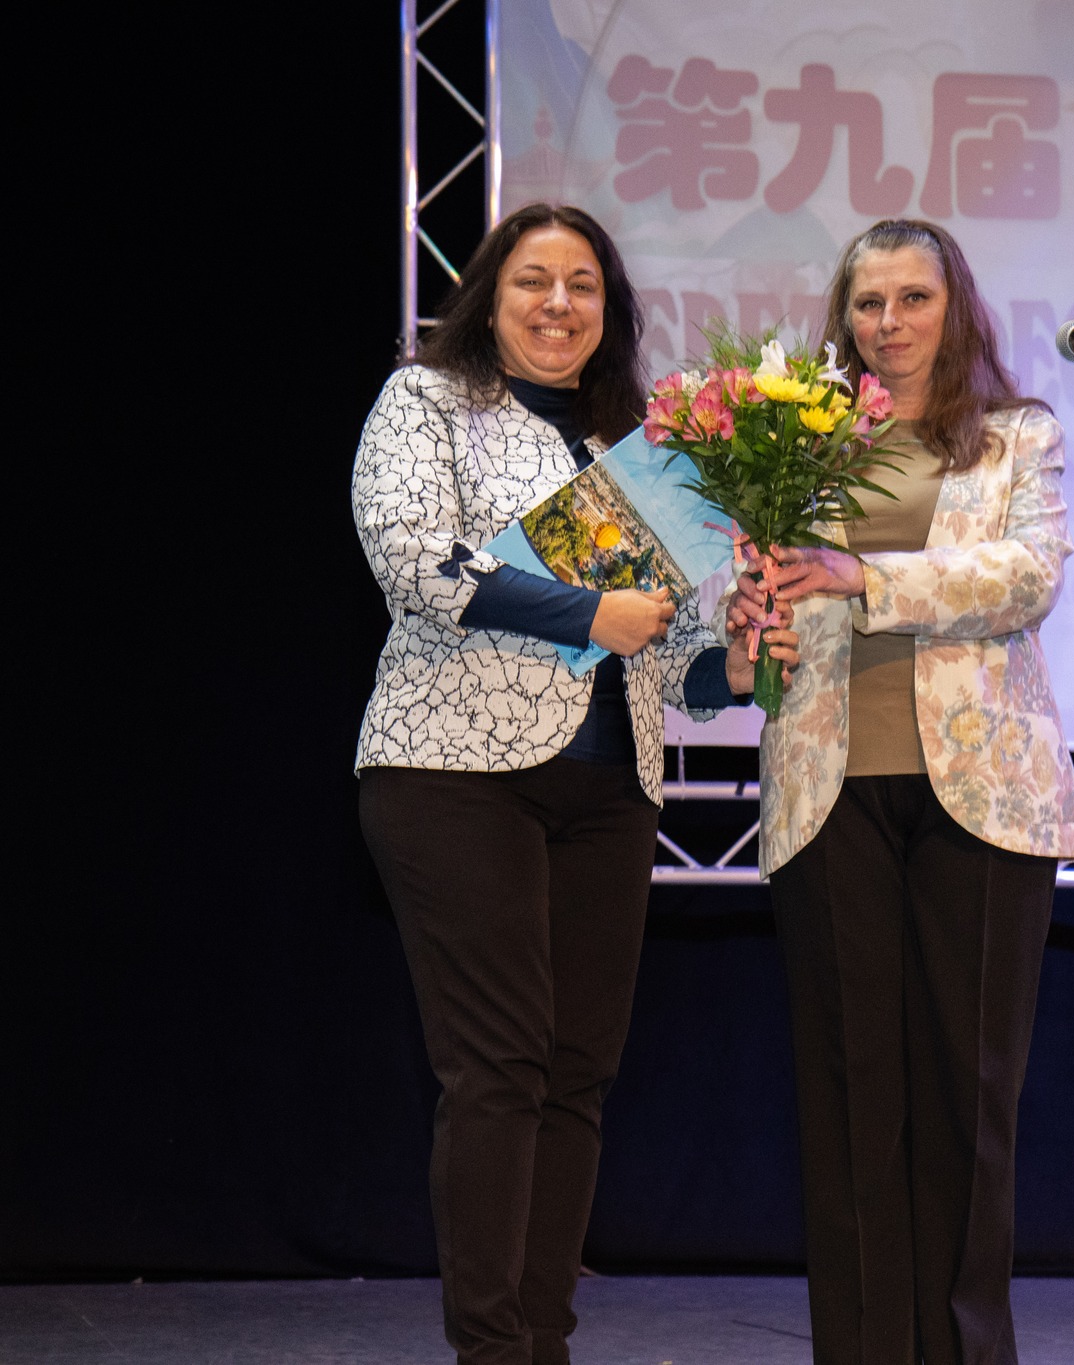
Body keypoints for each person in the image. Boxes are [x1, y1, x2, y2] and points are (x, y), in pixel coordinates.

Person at [351, 202, 793, 1365]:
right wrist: (587, 611)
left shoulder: (637, 448)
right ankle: (493, 1349)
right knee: (498, 1064)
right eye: (532, 281)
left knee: (575, 1075)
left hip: (609, 790)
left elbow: (663, 655)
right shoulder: (425, 401)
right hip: (453, 773)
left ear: (610, 309)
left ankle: (540, 1339)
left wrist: (734, 663)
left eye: (582, 284)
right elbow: (412, 558)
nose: (558, 304)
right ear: (489, 298)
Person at [729, 218, 1074, 1365]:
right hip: (823, 789)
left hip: (982, 796)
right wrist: (742, 627)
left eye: (911, 298)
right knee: (848, 1099)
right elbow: (745, 621)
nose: (888, 322)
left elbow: (1025, 576)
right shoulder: (794, 446)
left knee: (965, 1096)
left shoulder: (1014, 434)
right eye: (867, 302)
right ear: (843, 318)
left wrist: (860, 575)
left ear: (954, 307)